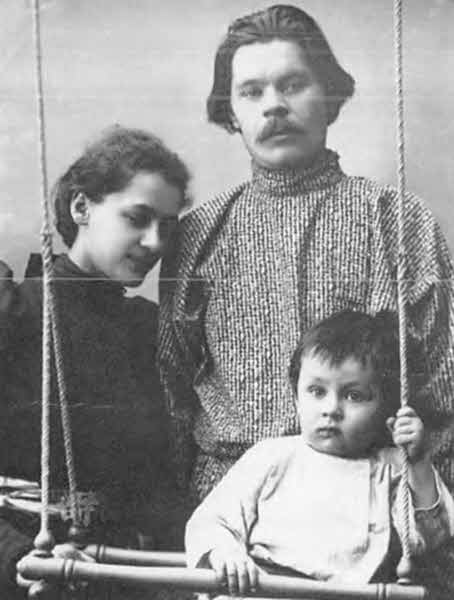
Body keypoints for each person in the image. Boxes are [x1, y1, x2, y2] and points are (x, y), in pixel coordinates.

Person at [158, 4, 454, 597]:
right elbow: (173, 396)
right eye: (252, 91)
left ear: (330, 95)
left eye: (293, 84)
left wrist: (412, 518)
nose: (273, 105)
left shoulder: (399, 222)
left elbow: (444, 398)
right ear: (230, 112)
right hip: (234, 542)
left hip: (372, 541)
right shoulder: (197, 236)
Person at [0, 125, 190, 598]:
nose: (154, 242)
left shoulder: (147, 328)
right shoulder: (13, 314)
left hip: (120, 572)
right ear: (81, 208)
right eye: (137, 218)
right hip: (20, 570)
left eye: (167, 227)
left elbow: (157, 481)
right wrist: (14, 555)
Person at [185, 311, 454, 593]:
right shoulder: (271, 456)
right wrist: (225, 554)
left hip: (348, 593)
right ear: (296, 397)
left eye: (353, 395)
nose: (331, 409)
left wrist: (419, 462)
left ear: (386, 408)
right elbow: (211, 521)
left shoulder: (393, 465)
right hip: (264, 588)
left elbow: (429, 538)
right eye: (316, 391)